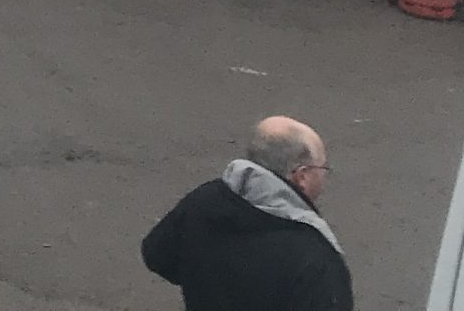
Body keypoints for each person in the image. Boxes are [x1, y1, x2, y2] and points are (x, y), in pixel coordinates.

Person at [141, 115, 351, 310]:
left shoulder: (204, 201)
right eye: (322, 168)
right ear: (301, 176)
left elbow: (157, 254)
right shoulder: (315, 257)